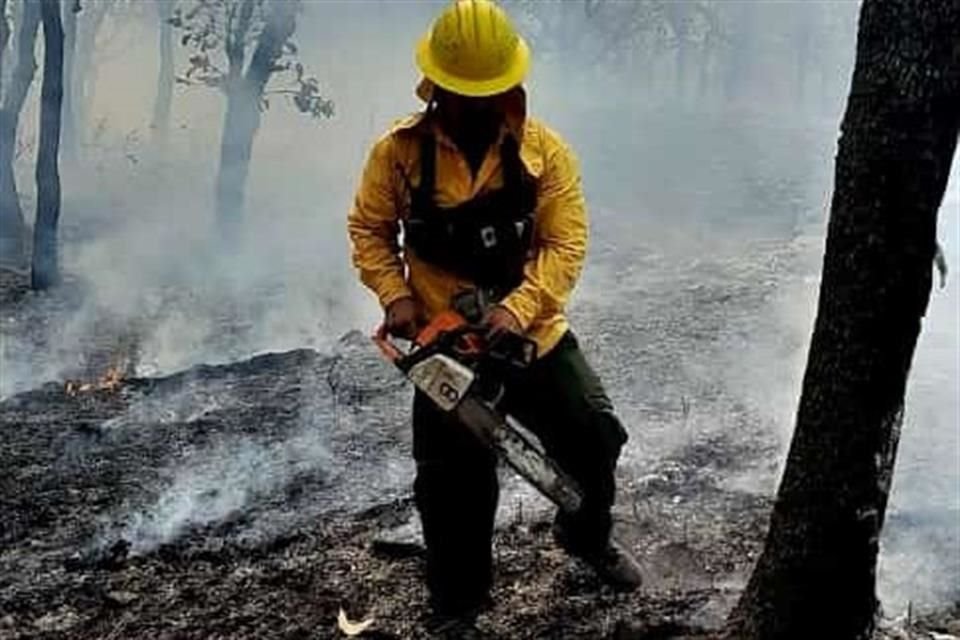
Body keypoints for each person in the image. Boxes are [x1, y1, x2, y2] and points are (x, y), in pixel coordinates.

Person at [347, 0, 643, 633]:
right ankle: (457, 605)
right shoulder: (397, 155)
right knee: (452, 479)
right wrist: (395, 297)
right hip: (444, 346)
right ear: (438, 86)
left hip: (531, 331)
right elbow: (370, 230)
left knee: (595, 434)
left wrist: (518, 307)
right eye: (463, 93)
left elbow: (565, 244)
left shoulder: (545, 153)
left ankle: (585, 536)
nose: (476, 106)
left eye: (488, 93)